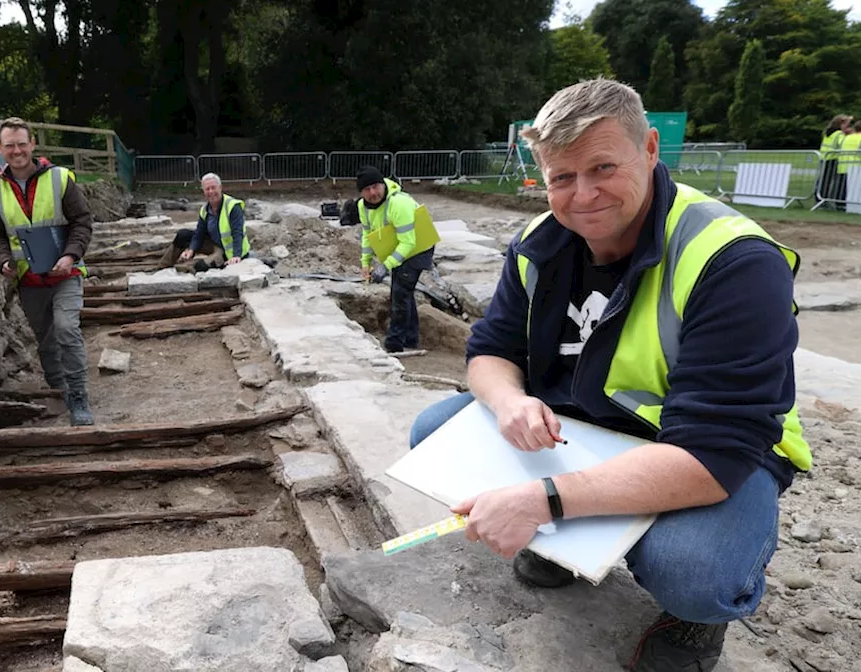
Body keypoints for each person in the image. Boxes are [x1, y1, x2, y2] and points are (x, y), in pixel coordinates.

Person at [406, 79, 811, 672]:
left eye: (602, 167)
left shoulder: (733, 261)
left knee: (697, 572)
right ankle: (573, 543)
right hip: (583, 425)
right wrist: (511, 402)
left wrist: (543, 500)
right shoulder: (538, 244)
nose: (583, 195)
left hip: (705, 450)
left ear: (650, 149)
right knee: (435, 432)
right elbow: (490, 351)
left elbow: (714, 452)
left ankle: (696, 621)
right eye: (562, 177)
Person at [0, 117, 95, 426]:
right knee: (45, 338)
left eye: (22, 144)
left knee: (66, 329)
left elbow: (82, 221)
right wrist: (3, 260)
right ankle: (58, 386)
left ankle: (78, 396)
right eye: (10, 146)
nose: (16, 151)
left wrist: (71, 255)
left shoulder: (59, 179)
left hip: (66, 273)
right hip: (29, 279)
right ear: (0, 148)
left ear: (32, 144)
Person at [356, 165, 435, 353]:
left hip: (419, 247)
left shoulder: (399, 204)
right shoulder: (363, 207)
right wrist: (366, 263)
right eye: (367, 190)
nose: (373, 193)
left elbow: (409, 243)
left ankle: (394, 343)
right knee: (403, 292)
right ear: (361, 193)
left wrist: (386, 265)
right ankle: (410, 338)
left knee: (400, 293)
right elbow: (368, 235)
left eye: (376, 186)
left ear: (383, 184)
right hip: (399, 245)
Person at [159, 173, 250, 272]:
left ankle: (190, 270)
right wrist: (191, 250)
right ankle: (162, 267)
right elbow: (199, 234)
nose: (211, 191)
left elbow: (238, 233)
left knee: (201, 266)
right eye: (207, 189)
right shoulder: (205, 210)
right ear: (203, 191)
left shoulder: (232, 206)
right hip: (213, 243)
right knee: (183, 235)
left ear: (220, 188)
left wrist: (236, 256)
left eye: (213, 188)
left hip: (227, 252)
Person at [816, 114, 852, 209]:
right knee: (829, 181)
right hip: (832, 158)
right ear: (841, 124)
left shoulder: (828, 131)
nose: (848, 126)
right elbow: (842, 144)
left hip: (824, 158)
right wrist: (847, 135)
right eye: (846, 124)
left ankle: (820, 198)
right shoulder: (839, 134)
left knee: (824, 180)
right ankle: (825, 199)